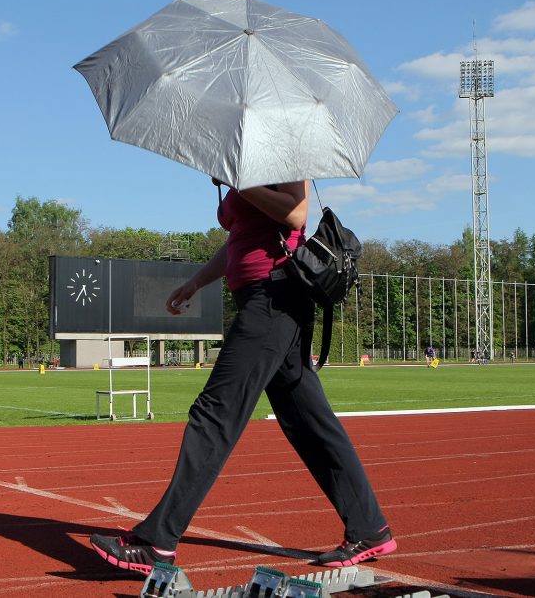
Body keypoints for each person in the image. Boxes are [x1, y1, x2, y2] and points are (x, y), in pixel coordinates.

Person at [90, 179, 396, 574]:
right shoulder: (249, 161)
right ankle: (370, 529)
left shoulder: (283, 152)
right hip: (263, 299)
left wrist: (241, 184)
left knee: (215, 413)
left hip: (275, 298)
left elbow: (295, 214)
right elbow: (242, 238)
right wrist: (196, 281)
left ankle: (157, 542)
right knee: (310, 423)